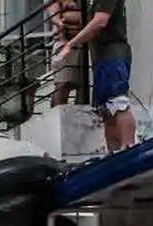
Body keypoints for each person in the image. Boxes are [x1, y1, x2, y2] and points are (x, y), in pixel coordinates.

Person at [53, 0, 136, 152]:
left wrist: (70, 44)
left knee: (118, 102)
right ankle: (114, 154)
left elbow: (100, 21)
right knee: (106, 110)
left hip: (112, 53)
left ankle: (129, 147)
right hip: (101, 56)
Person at [46, 0, 84, 107]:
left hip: (82, 43)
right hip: (64, 43)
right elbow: (53, 15)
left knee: (82, 86)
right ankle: (56, 114)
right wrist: (61, 24)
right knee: (62, 84)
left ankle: (78, 114)